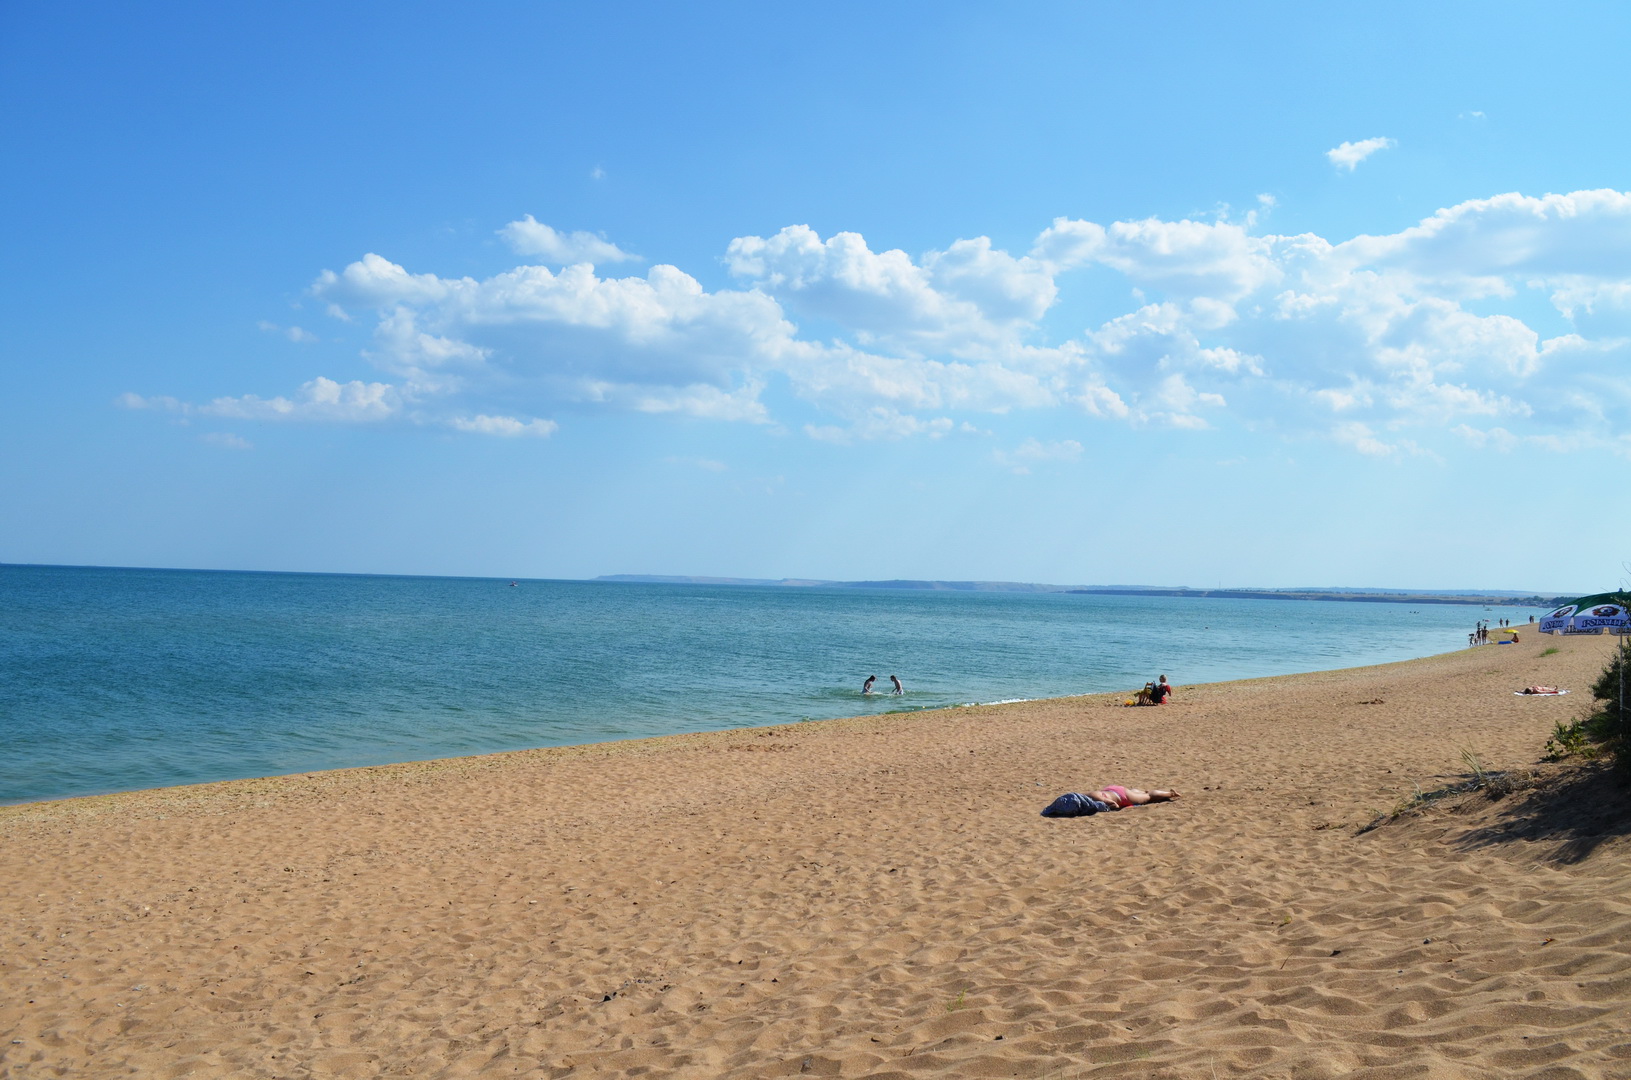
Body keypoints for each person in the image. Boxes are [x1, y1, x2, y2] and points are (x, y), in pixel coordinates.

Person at [1041, 785, 1180, 817]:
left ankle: (1169, 793)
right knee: (1139, 793)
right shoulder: (1085, 795)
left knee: (1148, 797)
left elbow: (1113, 805)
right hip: (1112, 790)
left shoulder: (1095, 800)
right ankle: (1136, 791)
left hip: (1120, 796)